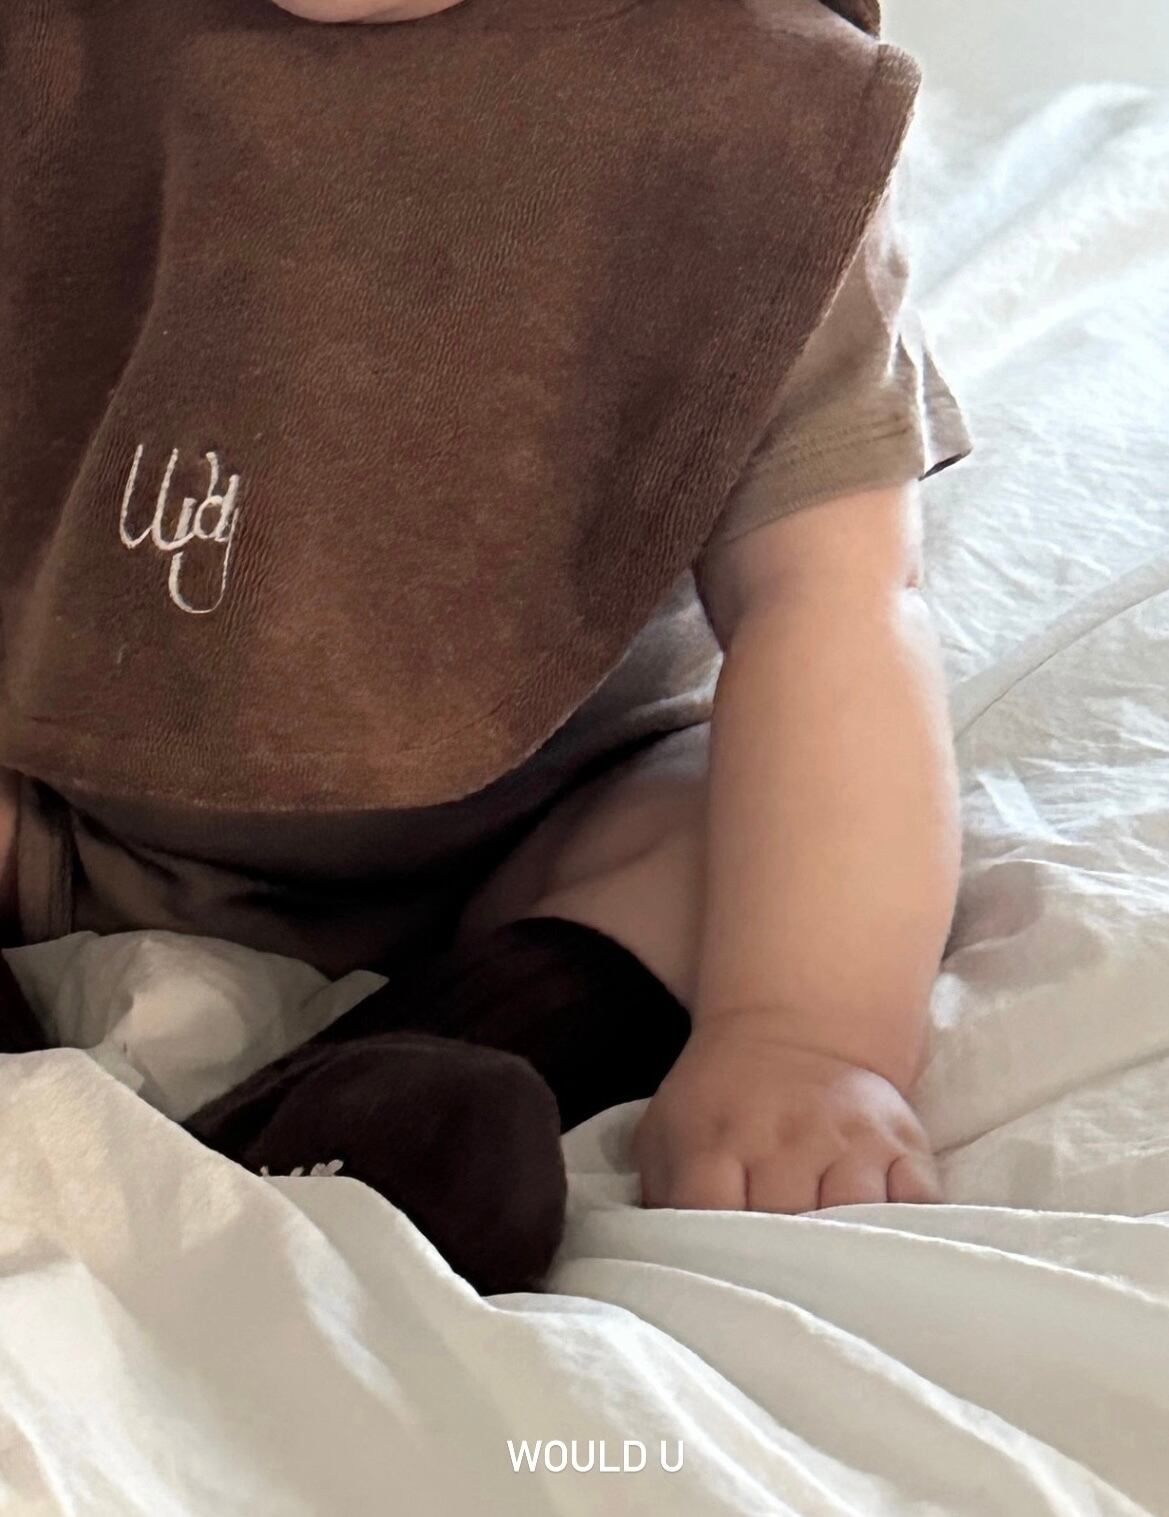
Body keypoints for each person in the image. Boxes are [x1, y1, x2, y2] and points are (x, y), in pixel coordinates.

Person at [0, 0, 970, 1293]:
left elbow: (834, 601)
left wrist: (807, 1034)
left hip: (523, 827)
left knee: (735, 827)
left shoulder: (754, 126)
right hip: (61, 796)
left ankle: (400, 1098)